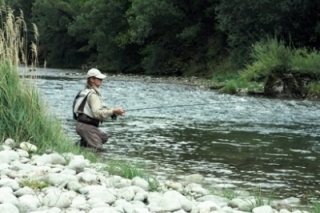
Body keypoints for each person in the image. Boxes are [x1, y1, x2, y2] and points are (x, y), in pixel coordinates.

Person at [73, 68, 125, 151]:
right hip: (87, 126)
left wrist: (115, 111)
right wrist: (113, 111)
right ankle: (94, 160)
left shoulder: (86, 92)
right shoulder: (93, 95)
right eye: (99, 79)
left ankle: (77, 148)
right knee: (99, 149)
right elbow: (97, 113)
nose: (102, 80)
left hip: (81, 125)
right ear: (92, 79)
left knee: (103, 137)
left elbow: (103, 107)